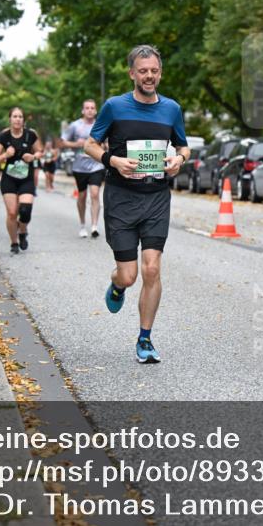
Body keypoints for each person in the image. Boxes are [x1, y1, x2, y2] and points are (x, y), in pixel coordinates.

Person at [85, 45, 189, 364]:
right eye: (143, 71)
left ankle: (145, 339)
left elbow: (184, 146)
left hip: (157, 197)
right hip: (121, 199)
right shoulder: (114, 107)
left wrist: (178, 160)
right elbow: (90, 144)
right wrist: (112, 160)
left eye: (154, 70)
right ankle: (117, 286)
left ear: (160, 72)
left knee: (152, 269)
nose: (149, 76)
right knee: (129, 276)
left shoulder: (171, 109)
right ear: (132, 73)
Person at [0, 108, 42, 254]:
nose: (18, 119)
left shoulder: (30, 135)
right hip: (9, 179)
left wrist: (33, 157)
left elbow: (39, 151)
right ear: (10, 119)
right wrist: (5, 155)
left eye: (20, 116)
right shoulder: (4, 136)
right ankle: (14, 242)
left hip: (26, 178)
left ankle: (23, 231)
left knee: (25, 210)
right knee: (12, 213)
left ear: (23, 120)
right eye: (15, 116)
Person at [62, 100, 108, 238]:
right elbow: (63, 142)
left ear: (95, 111)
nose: (89, 110)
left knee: (94, 193)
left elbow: (107, 142)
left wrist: (105, 146)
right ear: (83, 110)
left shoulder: (100, 125)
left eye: (92, 108)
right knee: (82, 196)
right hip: (79, 167)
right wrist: (76, 144)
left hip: (96, 165)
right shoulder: (75, 126)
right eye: (87, 108)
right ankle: (82, 225)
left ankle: (94, 226)